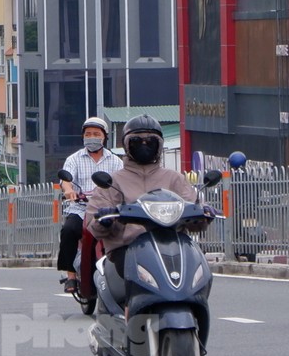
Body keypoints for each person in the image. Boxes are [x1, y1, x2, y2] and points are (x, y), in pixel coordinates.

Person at [85, 114, 201, 283]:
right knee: (135, 285)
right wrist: (103, 219)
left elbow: (193, 208)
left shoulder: (175, 179)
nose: (144, 145)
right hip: (128, 248)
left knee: (199, 274)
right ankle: (128, 309)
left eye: (150, 141)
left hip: (174, 248)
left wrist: (202, 213)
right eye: (137, 141)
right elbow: (94, 223)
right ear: (126, 145)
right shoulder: (113, 181)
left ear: (159, 145)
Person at [56, 116, 123, 294]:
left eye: (96, 134)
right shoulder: (74, 159)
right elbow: (65, 179)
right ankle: (70, 275)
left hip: (107, 210)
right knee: (69, 230)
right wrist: (69, 190)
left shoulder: (115, 161)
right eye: (88, 134)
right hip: (81, 209)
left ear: (104, 137)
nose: (92, 137)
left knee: (127, 232)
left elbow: (123, 183)